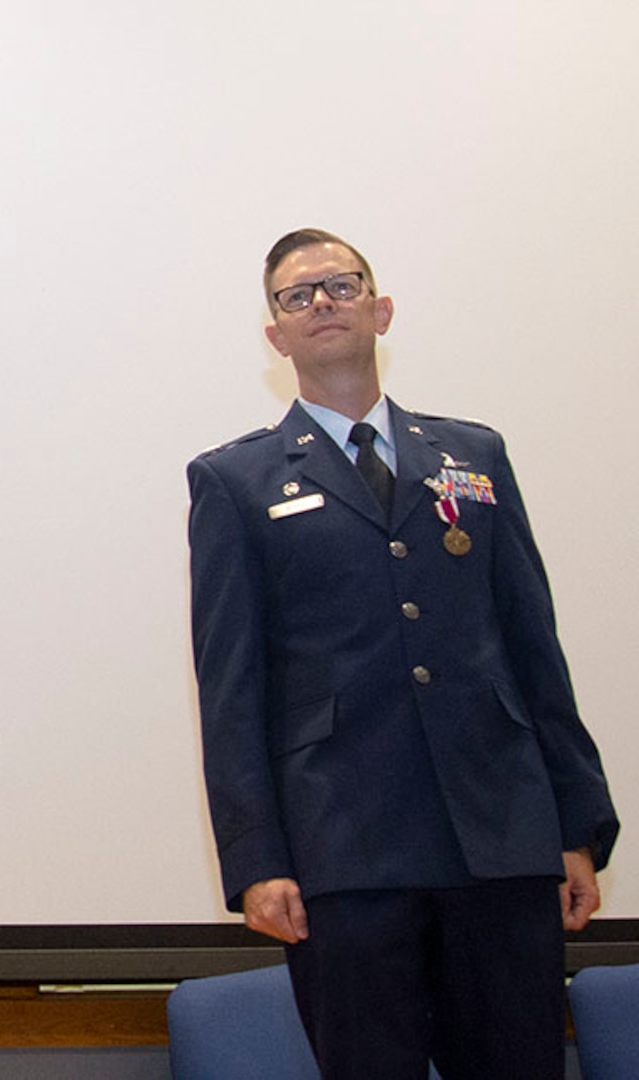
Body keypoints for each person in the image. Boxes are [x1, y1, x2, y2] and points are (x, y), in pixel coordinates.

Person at [186, 227, 618, 1078]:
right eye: (295, 295)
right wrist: (255, 859)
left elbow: (533, 647)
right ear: (273, 336)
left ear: (379, 310)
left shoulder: (472, 457)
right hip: (343, 853)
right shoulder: (234, 482)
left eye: (340, 286)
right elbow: (230, 687)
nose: (321, 303)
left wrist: (575, 824)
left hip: (498, 840)